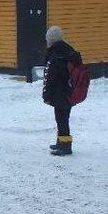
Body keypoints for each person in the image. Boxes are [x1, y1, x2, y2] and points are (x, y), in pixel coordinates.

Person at [42, 26, 76, 156]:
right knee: (63, 117)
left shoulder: (55, 53)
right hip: (69, 89)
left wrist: (47, 94)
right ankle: (61, 141)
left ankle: (66, 147)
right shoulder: (68, 49)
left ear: (50, 39)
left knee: (61, 118)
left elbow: (51, 76)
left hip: (60, 91)